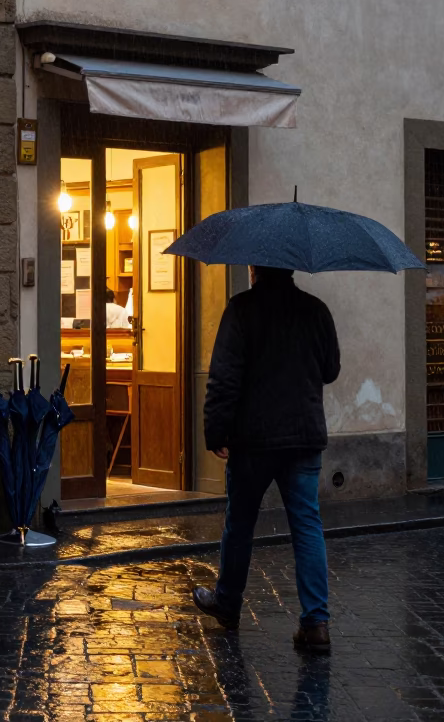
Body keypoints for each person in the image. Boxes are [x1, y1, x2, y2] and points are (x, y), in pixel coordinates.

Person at [192, 265, 340, 654]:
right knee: (307, 526)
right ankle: (316, 623)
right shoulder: (316, 310)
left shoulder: (241, 309)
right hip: (303, 438)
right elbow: (331, 370)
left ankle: (228, 603)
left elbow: (224, 377)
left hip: (253, 439)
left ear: (254, 268)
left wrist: (216, 431)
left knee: (239, 523)